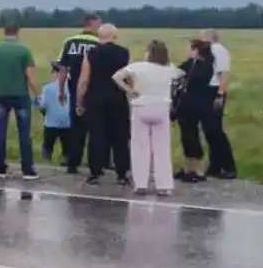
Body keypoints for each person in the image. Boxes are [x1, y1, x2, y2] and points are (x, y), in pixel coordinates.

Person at [113, 40, 183, 196]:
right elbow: (181, 76)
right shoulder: (170, 68)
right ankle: (164, 185)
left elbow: (117, 76)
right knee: (162, 148)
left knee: (140, 147)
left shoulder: (138, 67)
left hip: (141, 107)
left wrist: (129, 90)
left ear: (149, 52)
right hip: (161, 108)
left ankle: (140, 184)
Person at [77, 23, 131, 186]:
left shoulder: (91, 53)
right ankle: (122, 173)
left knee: (96, 135)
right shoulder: (124, 53)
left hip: (95, 99)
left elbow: (84, 80)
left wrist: (79, 101)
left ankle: (95, 172)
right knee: (120, 136)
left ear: (99, 37)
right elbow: (129, 77)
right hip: (117, 98)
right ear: (114, 36)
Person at [0, 25, 39, 180]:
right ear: (17, 32)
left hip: (1, 95)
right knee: (24, 133)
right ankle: (27, 169)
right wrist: (38, 95)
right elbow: (31, 77)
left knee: (0, 132)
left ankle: (1, 167)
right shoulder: (24, 51)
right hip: (21, 96)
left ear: (4, 32)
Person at [57, 14, 102, 174]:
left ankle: (73, 163)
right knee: (96, 129)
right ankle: (96, 165)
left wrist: (61, 90)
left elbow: (63, 69)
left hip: (74, 88)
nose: (100, 27)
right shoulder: (99, 43)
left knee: (76, 128)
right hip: (95, 90)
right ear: (92, 23)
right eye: (99, 23)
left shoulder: (69, 42)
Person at [175, 40, 217, 183]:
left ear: (196, 50)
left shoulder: (204, 66)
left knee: (192, 137)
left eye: (190, 48)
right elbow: (177, 72)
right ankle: (188, 168)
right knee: (186, 136)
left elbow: (195, 79)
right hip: (186, 105)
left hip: (196, 105)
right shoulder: (191, 63)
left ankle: (198, 169)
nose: (187, 51)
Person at [200, 30, 238, 179]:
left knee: (215, 130)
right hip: (208, 90)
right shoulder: (210, 51)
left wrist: (220, 93)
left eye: (203, 37)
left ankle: (229, 166)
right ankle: (215, 165)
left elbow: (224, 73)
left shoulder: (218, 50)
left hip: (214, 90)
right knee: (209, 130)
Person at [35, 62, 71, 163]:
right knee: (67, 147)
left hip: (51, 123)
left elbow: (43, 105)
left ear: (55, 73)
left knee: (48, 145)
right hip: (67, 123)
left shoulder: (47, 88)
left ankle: (47, 160)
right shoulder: (72, 87)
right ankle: (66, 159)